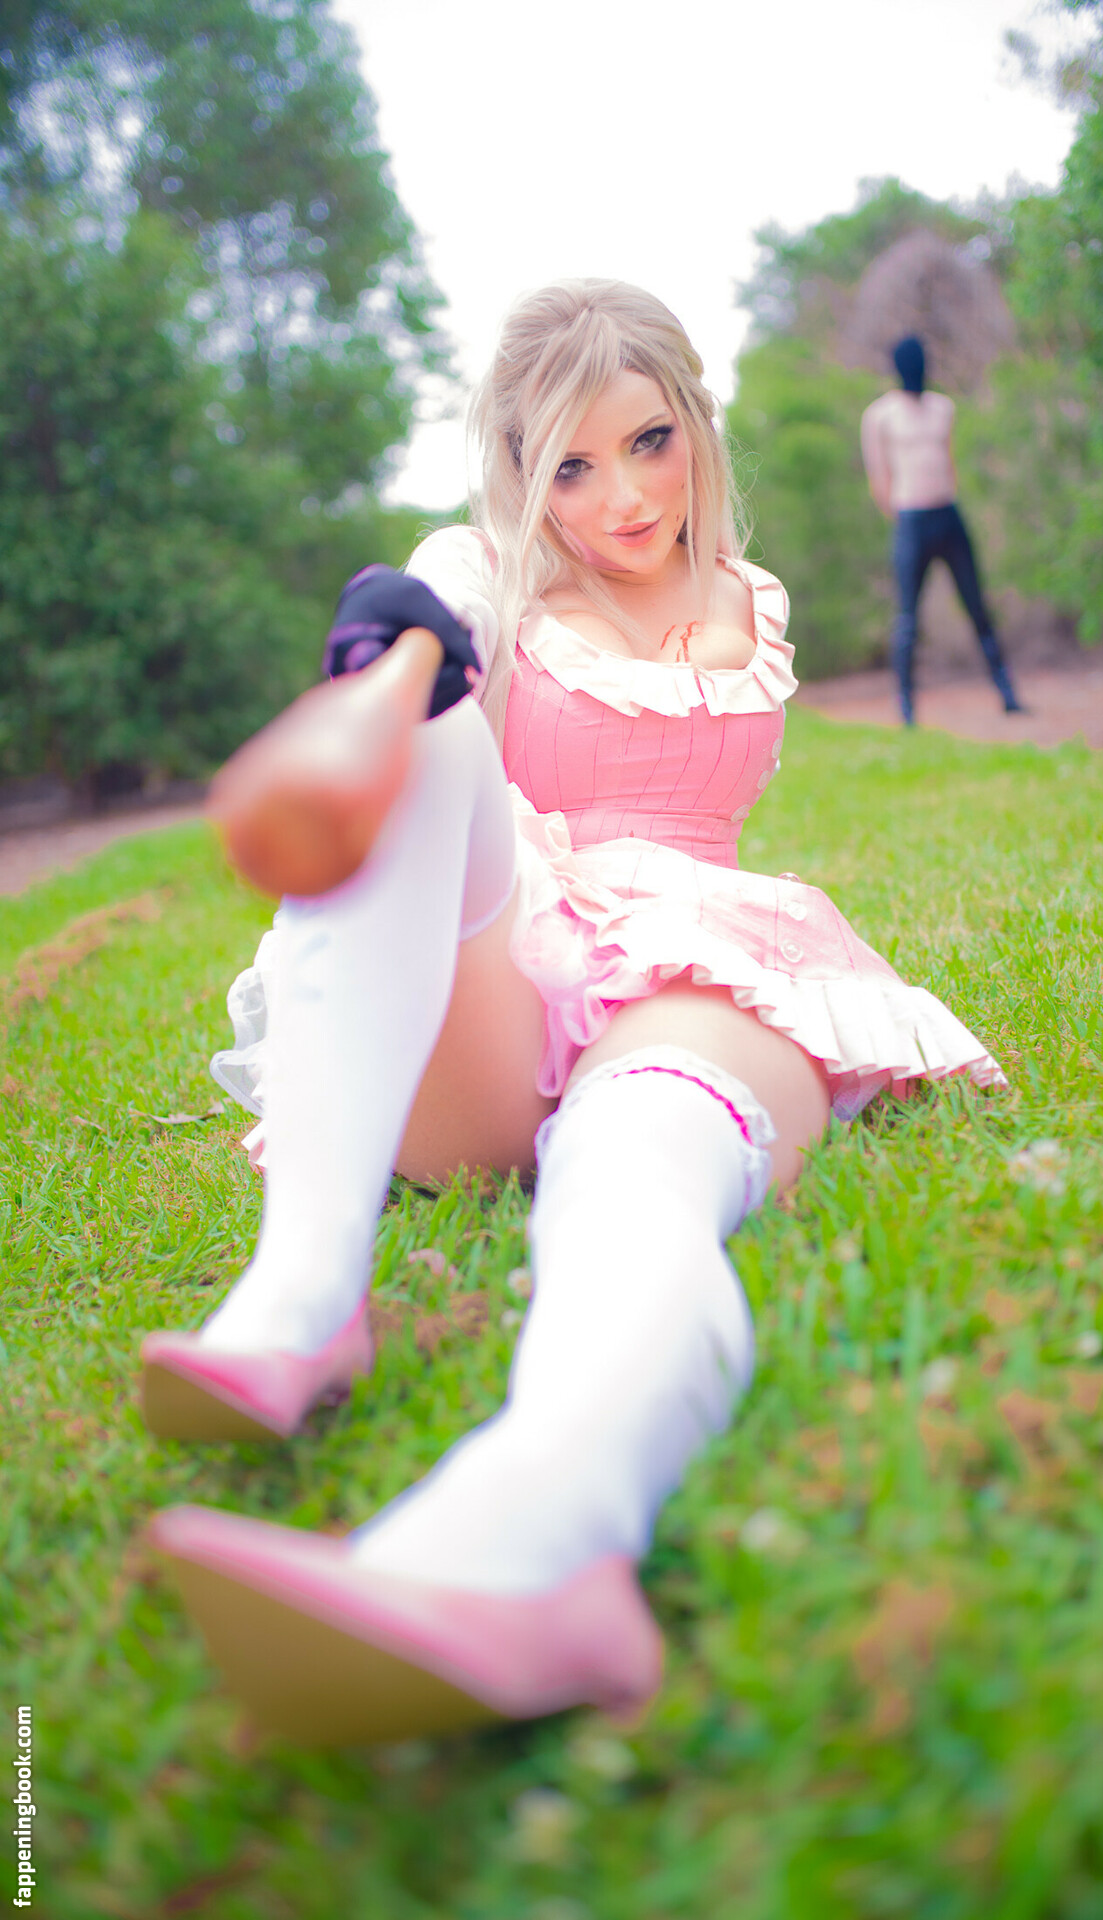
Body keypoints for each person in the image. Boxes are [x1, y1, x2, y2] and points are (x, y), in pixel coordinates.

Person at [142, 282, 1006, 1749]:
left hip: (696, 966)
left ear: (696, 422)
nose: (622, 499)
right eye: (573, 468)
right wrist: (397, 652)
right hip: (510, 975)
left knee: (633, 1181)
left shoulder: (751, 595)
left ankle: (533, 1536)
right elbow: (437, 604)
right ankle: (301, 1298)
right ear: (522, 477)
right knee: (432, 726)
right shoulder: (489, 574)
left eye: (650, 442)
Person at [860, 335, 1024, 726]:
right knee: (907, 618)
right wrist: (900, 516)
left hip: (948, 516)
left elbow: (948, 461)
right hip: (910, 520)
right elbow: (879, 477)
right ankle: (906, 709)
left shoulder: (942, 408)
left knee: (977, 606)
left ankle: (1007, 693)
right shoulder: (880, 415)